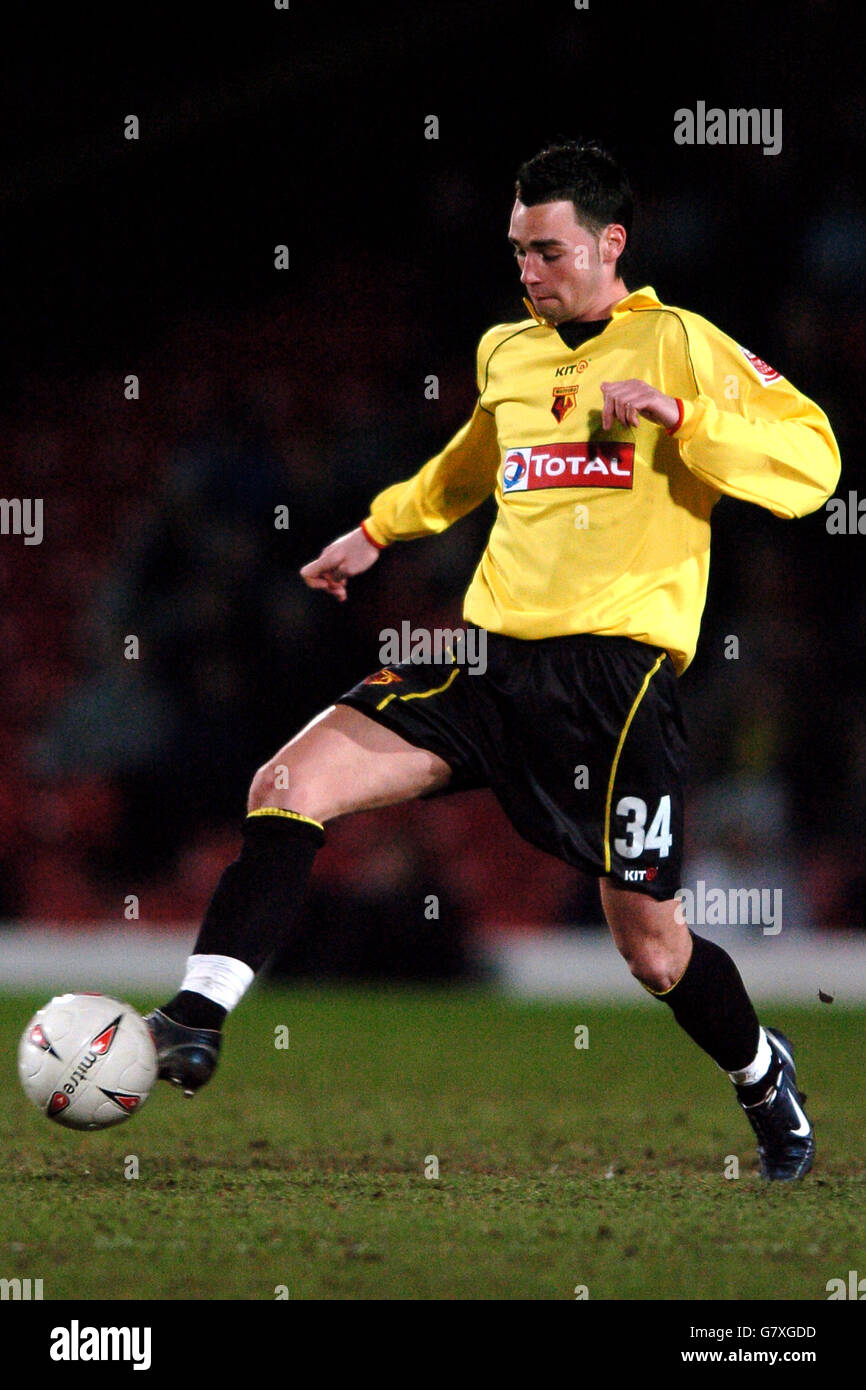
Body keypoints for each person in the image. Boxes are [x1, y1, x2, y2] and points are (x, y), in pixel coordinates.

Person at [145, 140, 840, 1181]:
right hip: (489, 665)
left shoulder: (678, 345)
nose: (528, 272)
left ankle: (756, 1070)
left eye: (547, 252)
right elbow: (472, 458)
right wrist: (379, 530)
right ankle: (195, 1016)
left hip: (616, 684)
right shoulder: (506, 353)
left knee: (651, 950)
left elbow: (811, 460)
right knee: (288, 782)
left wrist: (682, 417)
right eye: (517, 252)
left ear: (610, 244)